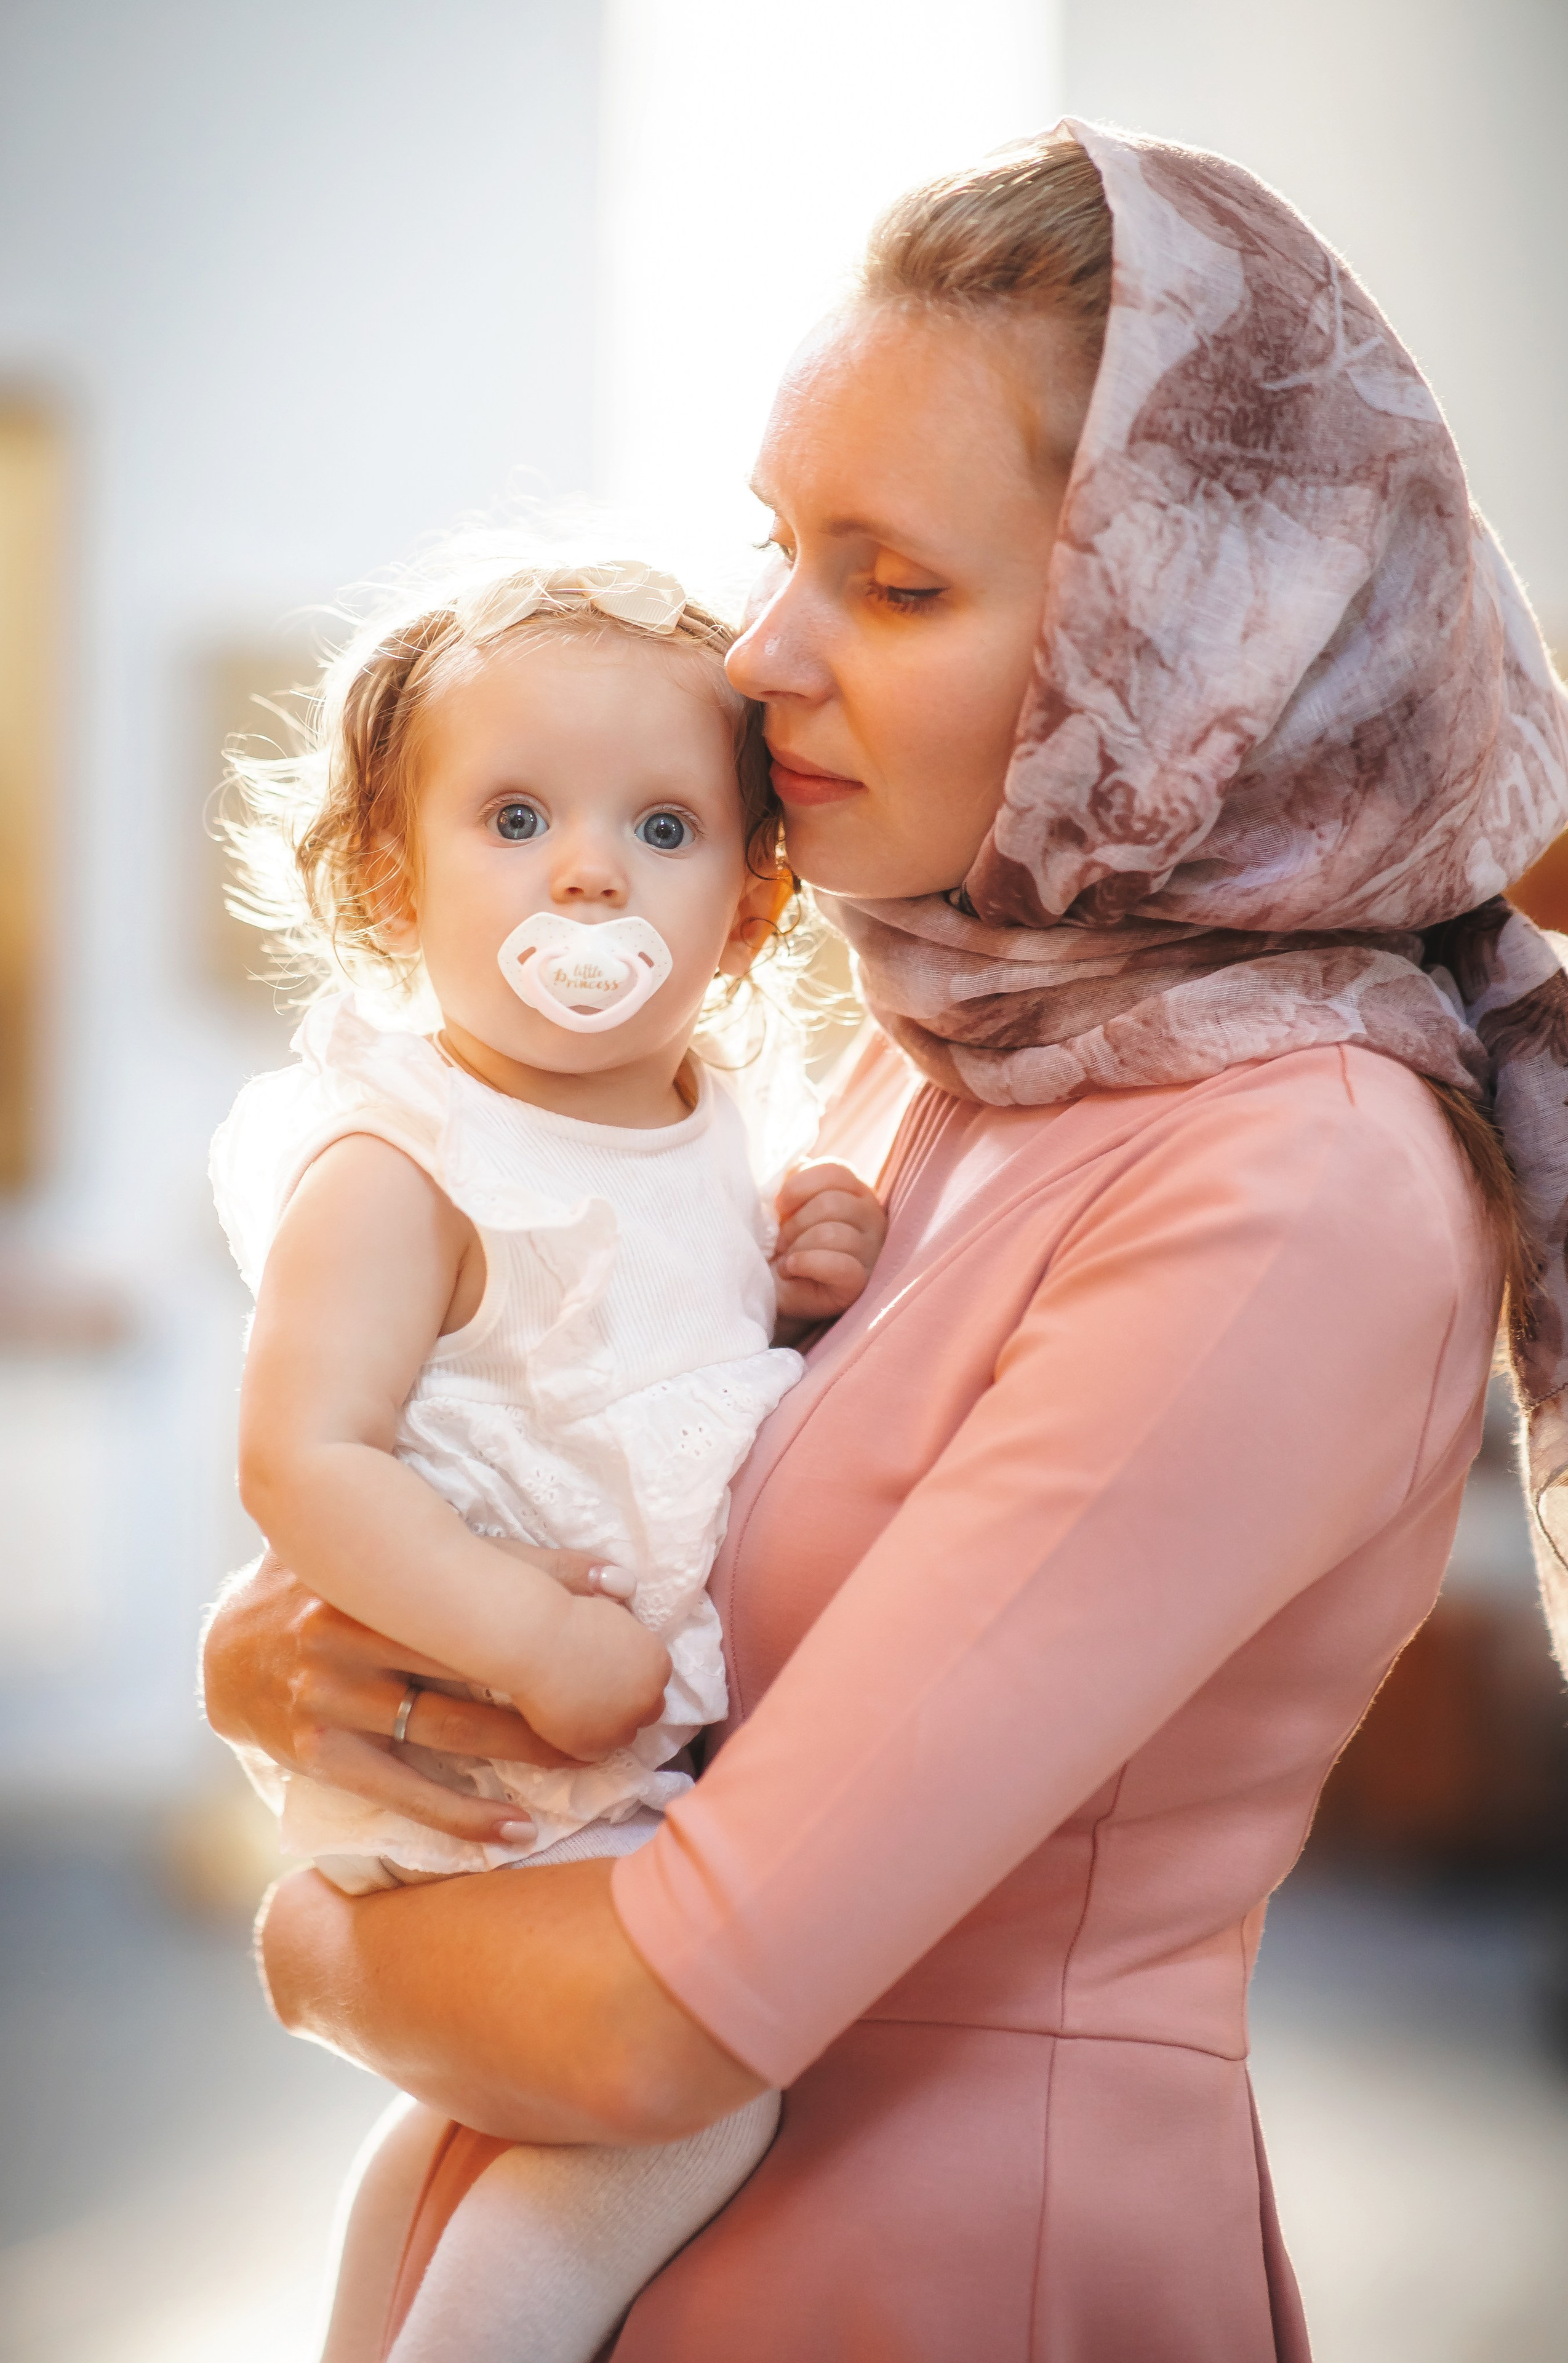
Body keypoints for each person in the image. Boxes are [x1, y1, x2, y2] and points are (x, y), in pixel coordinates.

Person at [202, 121, 1568, 2361]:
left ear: (1186, 663)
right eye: (779, 549)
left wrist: (312, 1945)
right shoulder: (947, 1057)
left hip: (934, 2270)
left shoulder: (1292, 1174)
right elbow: (614, 1476)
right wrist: (279, 1659)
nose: (758, 658)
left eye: (895, 584)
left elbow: (658, 2024)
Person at [208, 554, 887, 2361]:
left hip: (618, 1758)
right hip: (486, 1763)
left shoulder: (712, 1129)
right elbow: (305, 1458)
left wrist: (790, 1268)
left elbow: (678, 1375)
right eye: (515, 816)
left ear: (747, 910)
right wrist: (530, 1638)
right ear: (389, 875)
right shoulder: (398, 1163)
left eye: (662, 826)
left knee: (466, 2118)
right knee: (694, 2107)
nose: (589, 869)